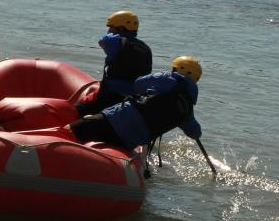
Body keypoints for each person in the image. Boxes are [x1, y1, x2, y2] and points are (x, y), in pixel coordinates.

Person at [68, 56, 203, 151]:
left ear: (178, 70)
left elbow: (138, 84)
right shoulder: (188, 109)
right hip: (128, 141)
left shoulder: (166, 78)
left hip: (115, 120)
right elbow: (195, 133)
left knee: (69, 131)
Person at [74, 10, 153, 117]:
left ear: (120, 28)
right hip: (130, 99)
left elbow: (104, 41)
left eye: (111, 27)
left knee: (74, 111)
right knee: (94, 89)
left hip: (109, 99)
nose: (109, 30)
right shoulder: (145, 48)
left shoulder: (119, 43)